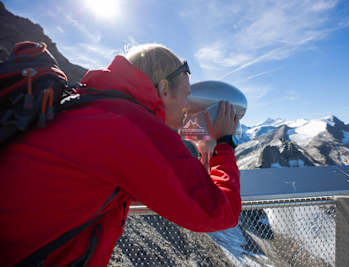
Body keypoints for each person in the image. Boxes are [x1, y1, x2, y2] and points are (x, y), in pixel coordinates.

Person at [0, 44, 241, 266]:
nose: (188, 106)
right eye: (186, 95)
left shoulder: (97, 105)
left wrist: (201, 148)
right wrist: (224, 143)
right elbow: (220, 212)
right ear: (164, 90)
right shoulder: (136, 128)